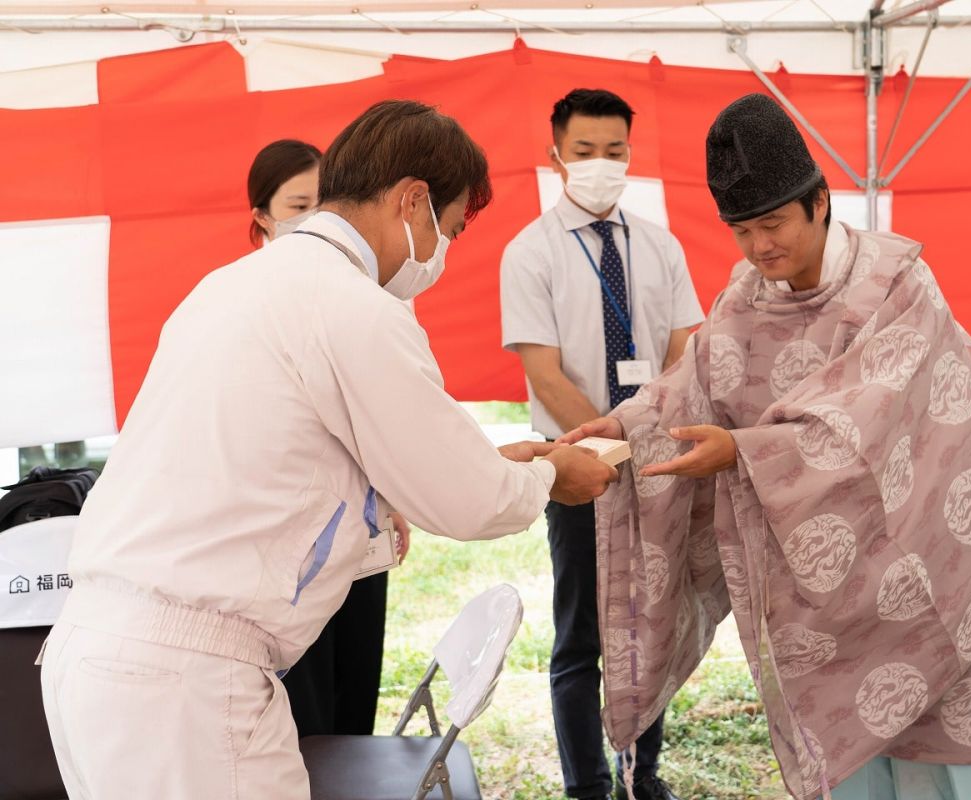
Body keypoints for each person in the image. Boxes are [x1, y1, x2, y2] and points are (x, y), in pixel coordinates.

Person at [38, 99, 616, 800]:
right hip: (184, 684)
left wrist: (499, 465)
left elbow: (299, 465)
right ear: (413, 201)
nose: (441, 254)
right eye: (451, 230)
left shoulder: (231, 286)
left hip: (96, 653)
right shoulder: (353, 305)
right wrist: (552, 474)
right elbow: (466, 501)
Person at [562, 93, 971, 799]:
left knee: (937, 773)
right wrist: (625, 425)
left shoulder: (895, 285)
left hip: (918, 566)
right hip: (811, 589)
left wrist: (741, 452)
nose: (760, 246)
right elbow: (693, 385)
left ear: (820, 202)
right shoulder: (747, 292)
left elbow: (874, 417)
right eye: (742, 230)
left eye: (773, 223)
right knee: (843, 760)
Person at [500, 88, 702, 800]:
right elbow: (544, 374)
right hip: (577, 473)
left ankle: (644, 778)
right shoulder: (530, 253)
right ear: (554, 157)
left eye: (613, 152)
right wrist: (605, 452)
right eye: (584, 152)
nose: (600, 165)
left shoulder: (660, 245)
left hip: (656, 467)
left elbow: (683, 352)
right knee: (582, 639)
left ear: (629, 154)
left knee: (652, 629)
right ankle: (587, 788)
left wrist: (648, 442)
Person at [247, 137, 400, 739]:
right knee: (304, 700)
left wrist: (390, 495)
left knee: (356, 683)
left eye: (322, 204)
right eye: (297, 204)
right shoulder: (243, 294)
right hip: (288, 538)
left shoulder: (360, 292)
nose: (311, 220)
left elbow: (381, 415)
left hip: (361, 530)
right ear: (262, 215)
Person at [248, 138, 320, 247]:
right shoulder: (251, 264)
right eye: (300, 206)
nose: (317, 216)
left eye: (325, 203)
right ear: (262, 216)